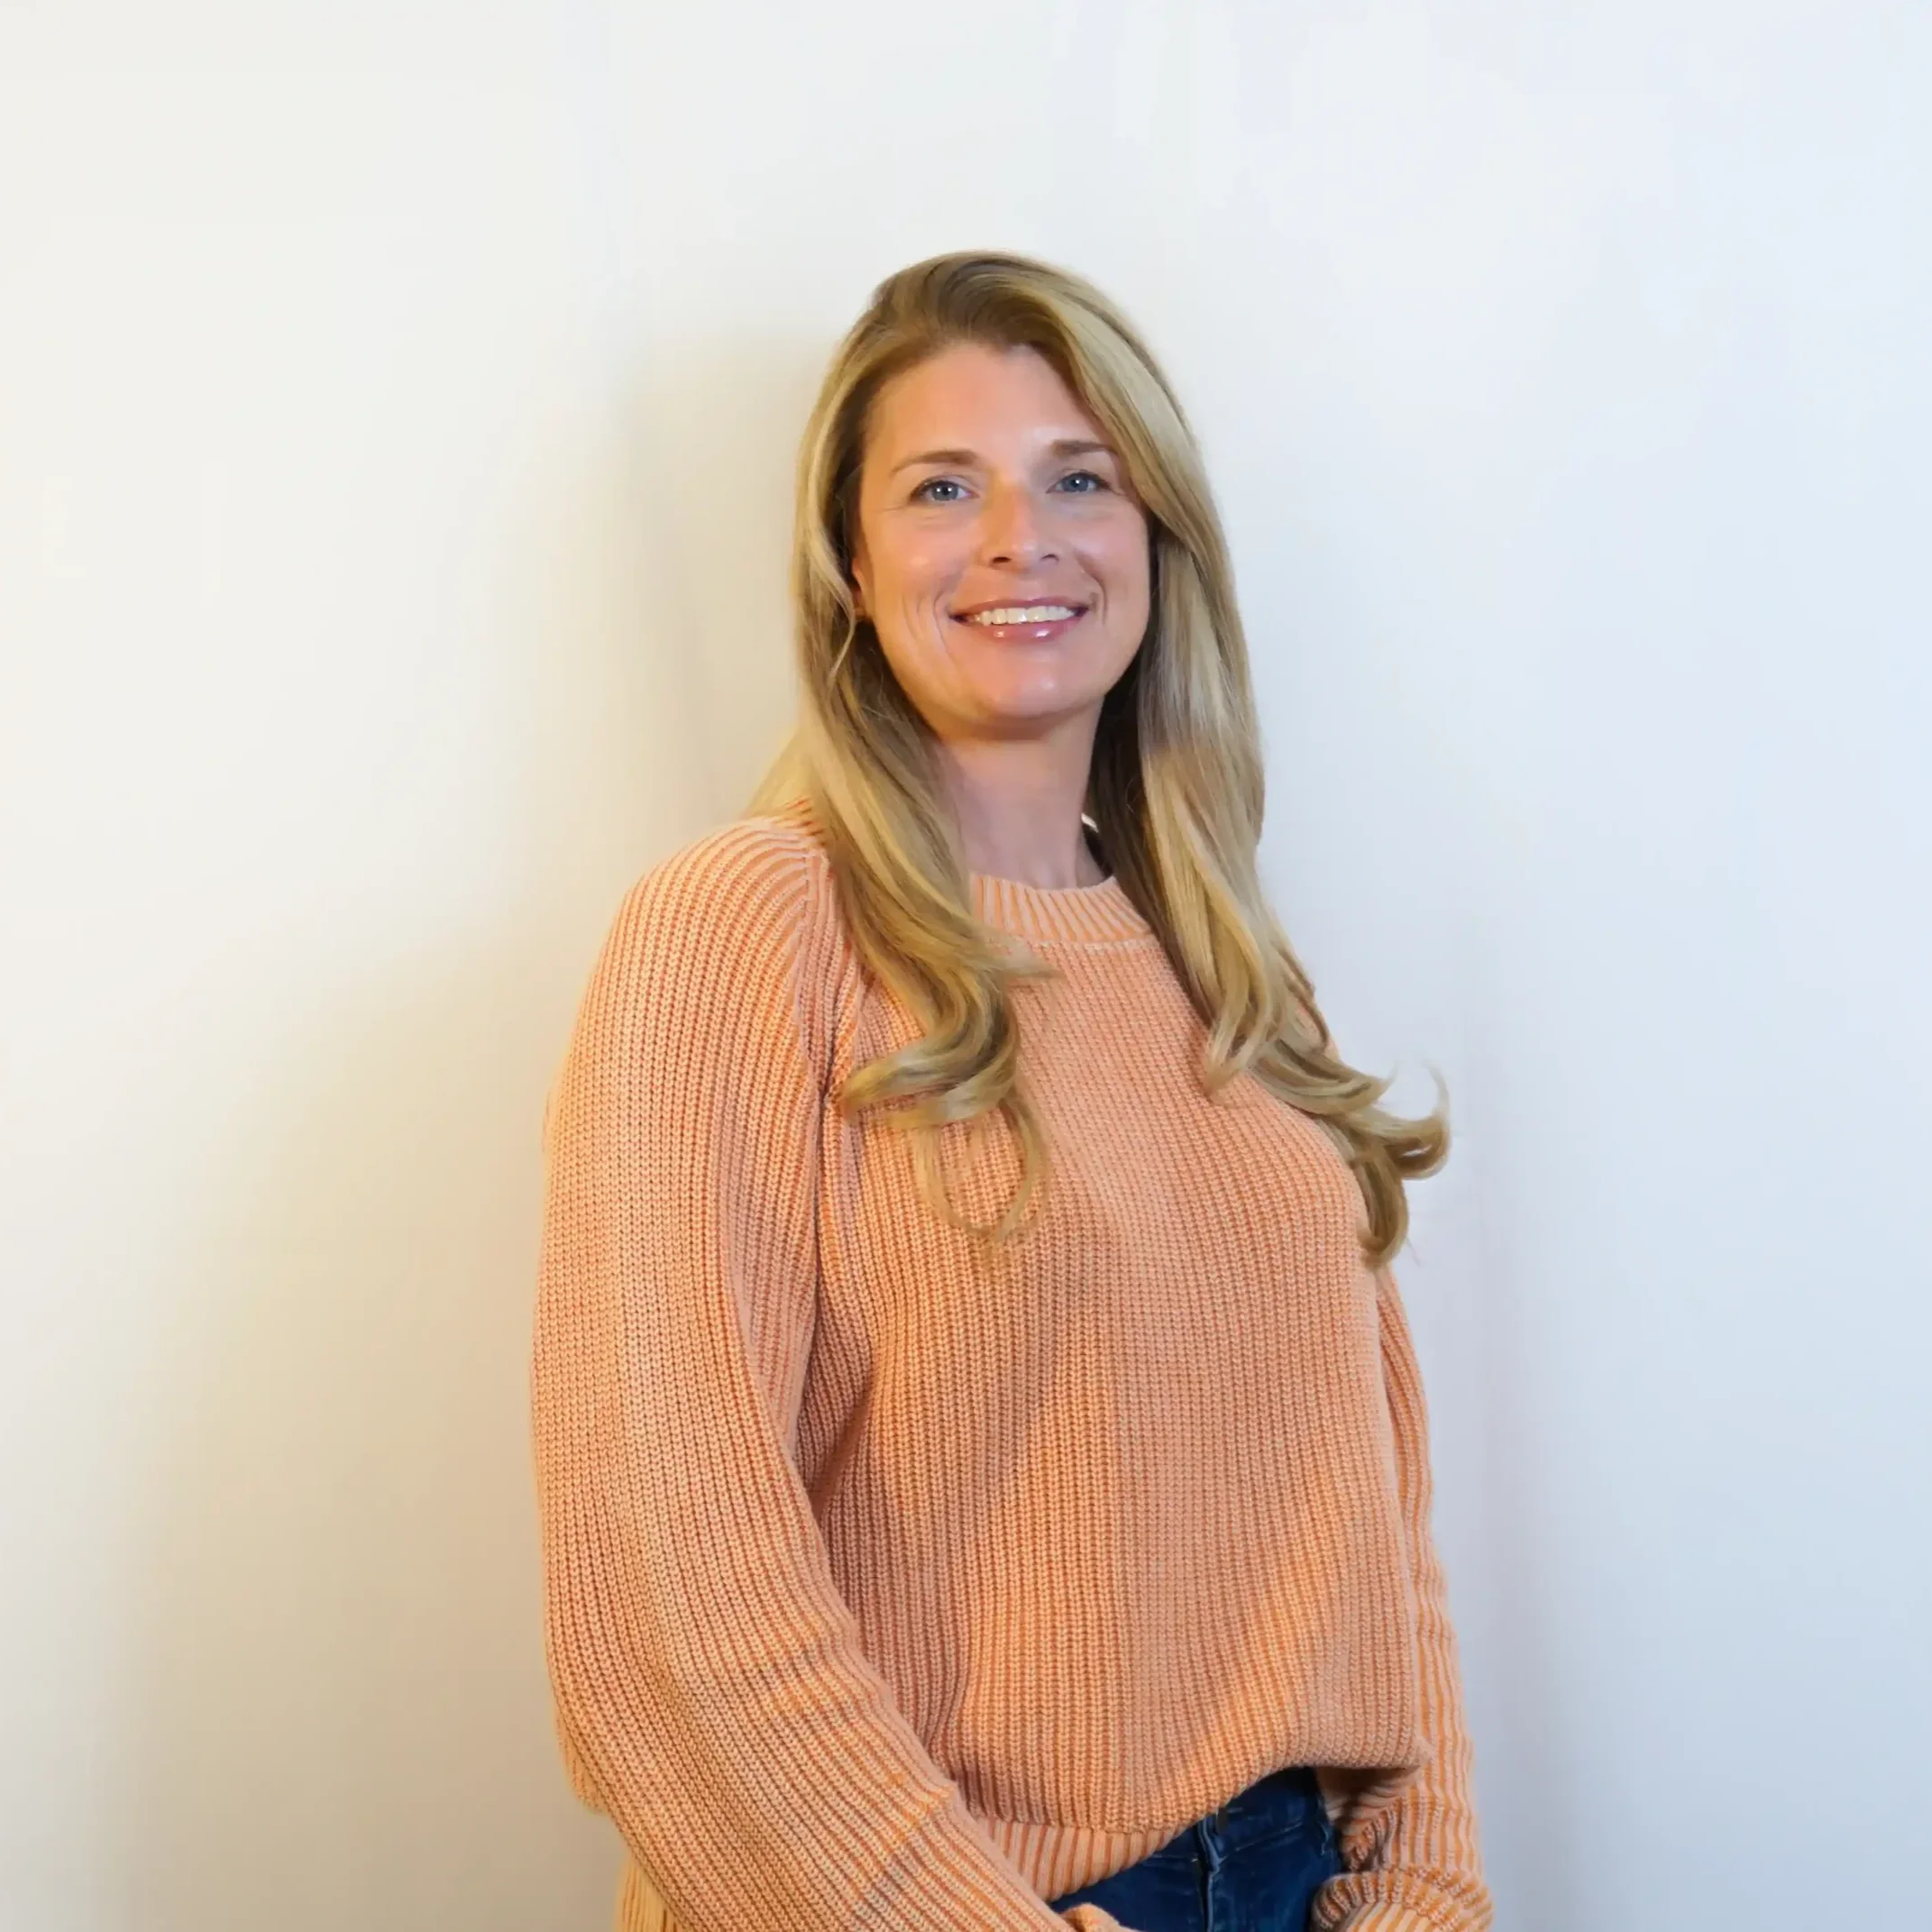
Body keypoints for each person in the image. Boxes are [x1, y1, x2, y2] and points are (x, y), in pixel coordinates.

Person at [531, 250, 1494, 1932]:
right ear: (850, 564)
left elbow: (1371, 1514)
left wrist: (1424, 1881)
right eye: (940, 487)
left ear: (1155, 542)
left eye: (1077, 479)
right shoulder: (741, 934)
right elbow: (667, 1590)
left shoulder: (1226, 965)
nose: (1015, 539)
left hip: (1297, 1887)